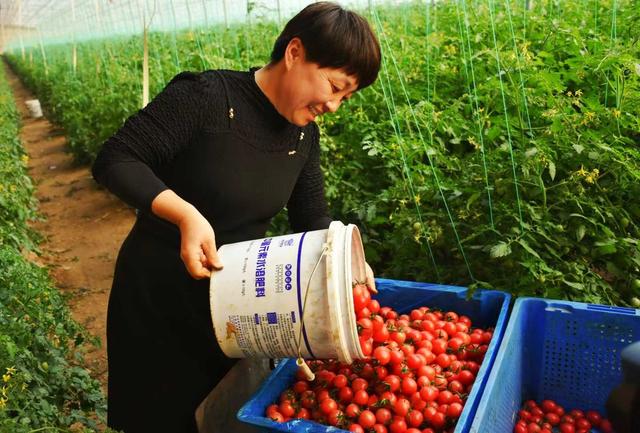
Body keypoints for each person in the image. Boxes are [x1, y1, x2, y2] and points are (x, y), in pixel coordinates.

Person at [91, 2, 381, 432]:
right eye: (334, 86)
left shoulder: (302, 136)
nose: (335, 105)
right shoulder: (206, 98)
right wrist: (185, 214)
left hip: (236, 311)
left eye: (346, 96)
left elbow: (314, 226)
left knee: (221, 416)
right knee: (159, 419)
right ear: (295, 53)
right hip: (159, 305)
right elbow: (116, 158)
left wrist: (348, 268)